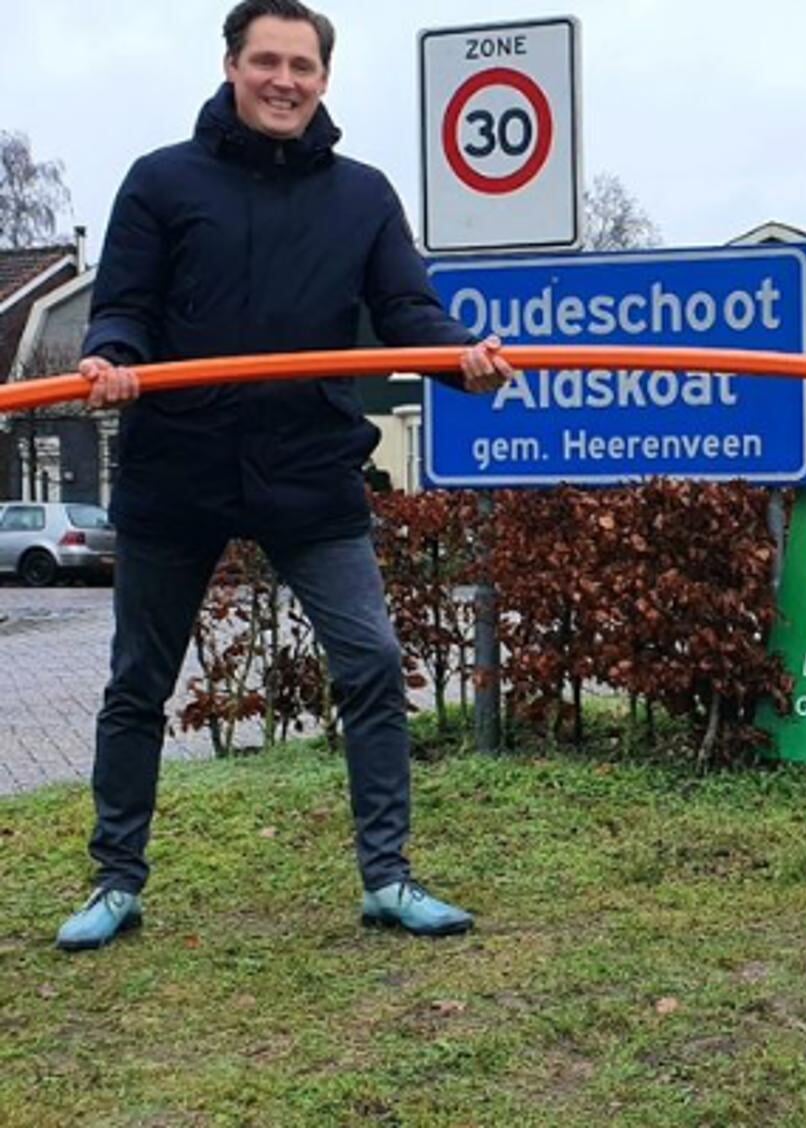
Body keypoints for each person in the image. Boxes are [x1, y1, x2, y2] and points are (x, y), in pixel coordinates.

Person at [55, 0, 516, 951]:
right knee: (139, 681)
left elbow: (407, 311)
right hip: (177, 469)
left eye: (302, 66)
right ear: (231, 66)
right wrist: (108, 358)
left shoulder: (363, 196)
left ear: (324, 80)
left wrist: (461, 356)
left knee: (374, 663)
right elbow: (125, 308)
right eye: (266, 61)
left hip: (309, 471)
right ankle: (115, 882)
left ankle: (388, 878)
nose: (284, 81)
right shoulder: (160, 182)